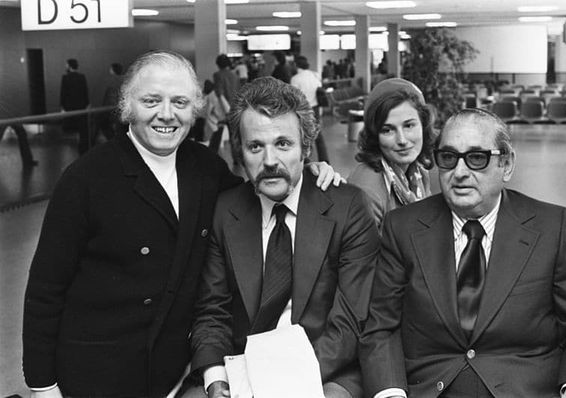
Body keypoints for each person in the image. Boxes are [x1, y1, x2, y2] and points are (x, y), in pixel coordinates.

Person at [22, 50, 340, 398]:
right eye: (151, 100)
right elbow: (45, 290)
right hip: (95, 374)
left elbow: (260, 191)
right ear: (127, 106)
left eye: (180, 101)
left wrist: (305, 176)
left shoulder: (205, 168)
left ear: (195, 109)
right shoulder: (85, 180)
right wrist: (42, 385)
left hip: (172, 374)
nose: (166, 114)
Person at [359, 108, 566, 398]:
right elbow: (381, 327)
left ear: (507, 164)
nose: (459, 173)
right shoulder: (403, 227)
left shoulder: (550, 227)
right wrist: (391, 393)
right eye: (448, 158)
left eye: (477, 158)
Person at [190, 77, 379, 398]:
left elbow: (348, 322)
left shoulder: (348, 207)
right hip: (241, 367)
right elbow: (212, 310)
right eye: (255, 146)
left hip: (325, 368)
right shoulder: (225, 211)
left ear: (305, 147)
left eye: (283, 144)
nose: (269, 162)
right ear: (239, 151)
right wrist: (216, 377)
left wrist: (282, 385)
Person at [348, 78, 436, 231]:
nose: (402, 140)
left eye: (409, 125)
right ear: (375, 136)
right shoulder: (367, 191)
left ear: (423, 125)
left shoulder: (418, 173)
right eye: (387, 130)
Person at [291, 55, 329, 163]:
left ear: (296, 65)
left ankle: (305, 161)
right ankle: (325, 160)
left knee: (302, 136)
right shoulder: (315, 75)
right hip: (315, 108)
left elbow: (293, 97)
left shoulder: (295, 79)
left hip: (302, 109)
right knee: (318, 135)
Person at [59, 58, 90, 154]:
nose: (65, 66)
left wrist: (62, 106)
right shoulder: (82, 77)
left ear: (69, 66)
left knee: (71, 128)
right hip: (81, 106)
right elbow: (85, 92)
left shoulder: (65, 78)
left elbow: (63, 93)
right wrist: (88, 104)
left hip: (70, 107)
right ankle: (83, 150)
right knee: (83, 130)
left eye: (66, 65)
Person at [97, 62, 126, 141]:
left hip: (111, 109)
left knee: (103, 124)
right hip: (121, 110)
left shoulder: (111, 81)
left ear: (113, 70)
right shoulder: (124, 80)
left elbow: (110, 97)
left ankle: (113, 141)